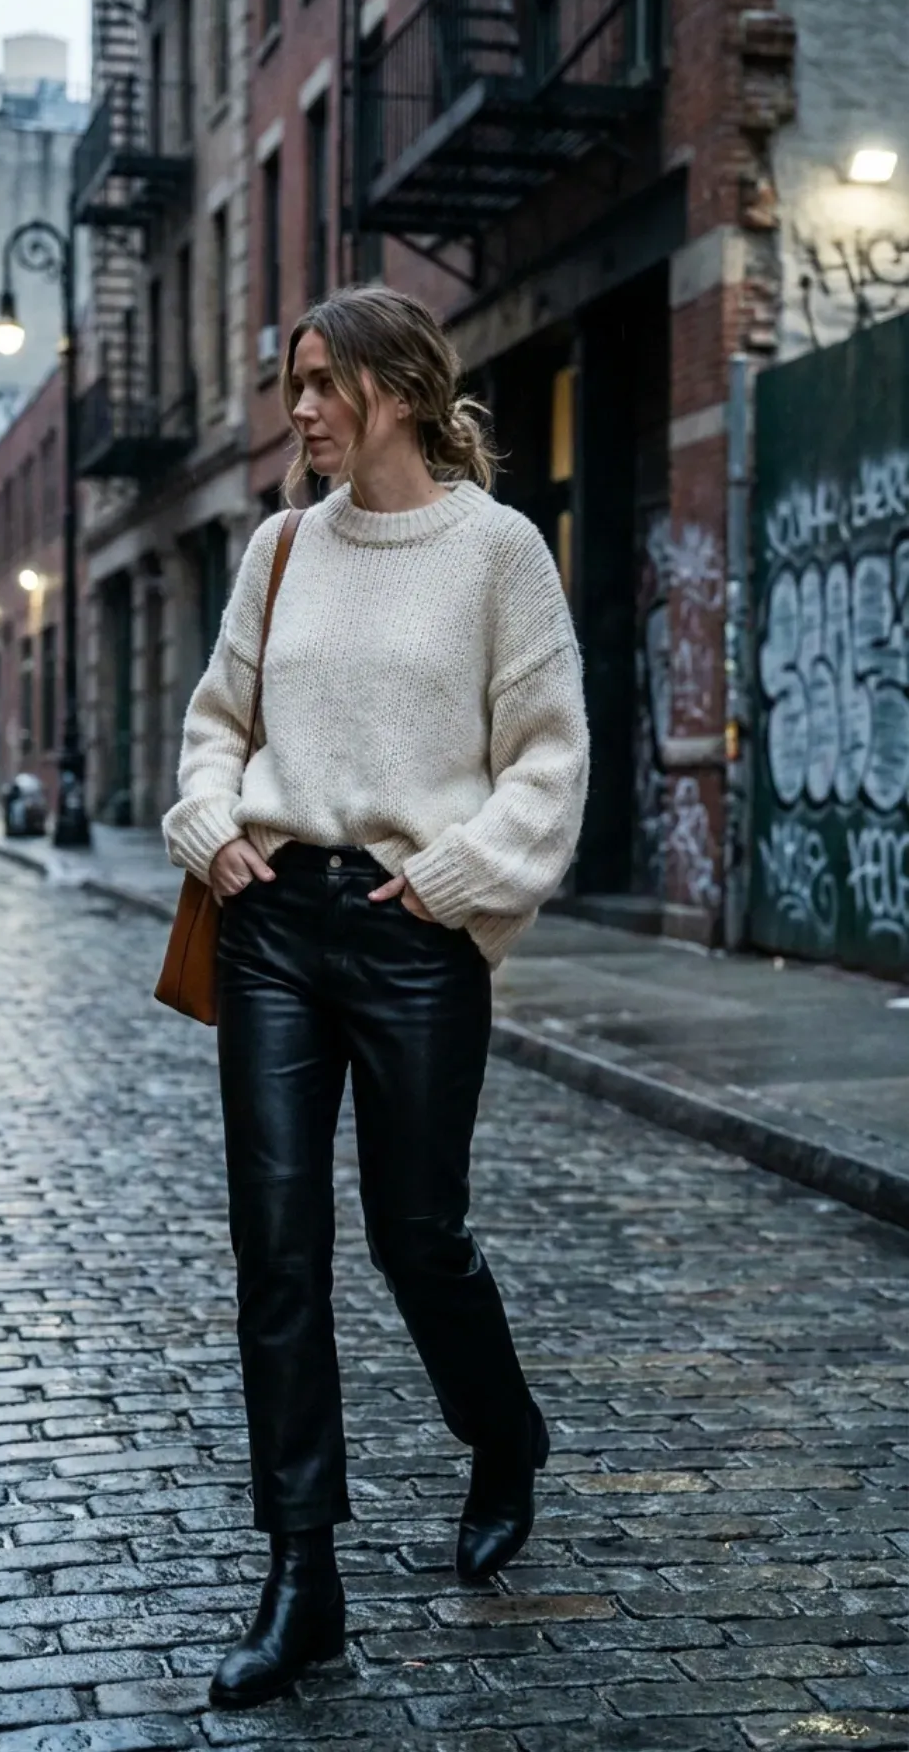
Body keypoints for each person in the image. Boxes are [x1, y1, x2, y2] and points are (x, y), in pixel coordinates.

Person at [162, 284, 589, 1710]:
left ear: (397, 387)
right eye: (294, 385)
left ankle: (503, 1431)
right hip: (274, 920)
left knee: (421, 1239)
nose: (298, 411)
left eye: (318, 383)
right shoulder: (281, 547)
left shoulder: (497, 553)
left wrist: (463, 873)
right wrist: (209, 823)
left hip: (416, 932)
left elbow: (546, 754)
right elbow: (220, 723)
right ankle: (303, 1580)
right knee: (277, 1247)